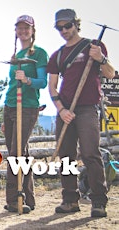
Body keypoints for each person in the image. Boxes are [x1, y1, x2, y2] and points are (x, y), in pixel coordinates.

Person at [47, 9, 115, 218]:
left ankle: (98, 202)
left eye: (68, 25)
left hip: (87, 108)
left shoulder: (94, 46)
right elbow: (52, 88)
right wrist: (62, 110)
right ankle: (70, 200)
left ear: (76, 24)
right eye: (60, 27)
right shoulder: (57, 55)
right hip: (65, 109)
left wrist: (101, 59)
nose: (64, 30)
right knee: (66, 157)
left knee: (90, 154)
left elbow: (111, 74)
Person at [2, 15, 48, 214]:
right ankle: (29, 198)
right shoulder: (16, 55)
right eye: (19, 28)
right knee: (23, 154)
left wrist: (27, 79)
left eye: (26, 28)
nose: (23, 31)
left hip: (27, 107)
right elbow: (12, 83)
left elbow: (43, 82)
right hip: (10, 106)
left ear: (33, 30)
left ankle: (14, 199)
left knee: (15, 154)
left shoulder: (39, 53)